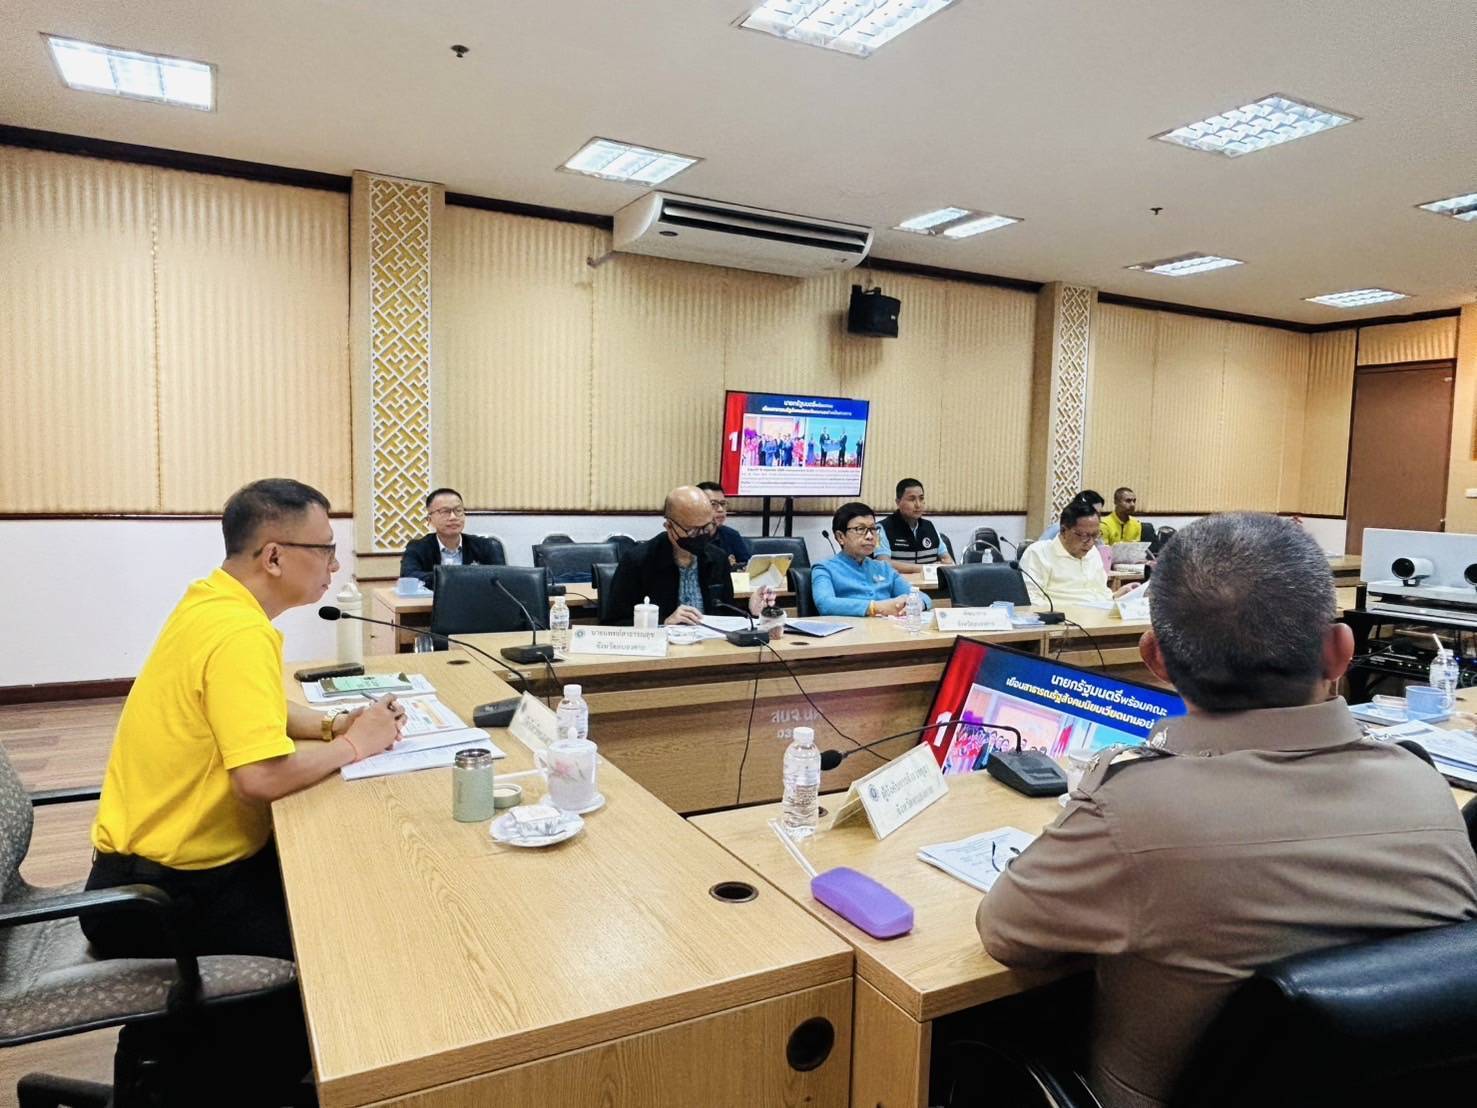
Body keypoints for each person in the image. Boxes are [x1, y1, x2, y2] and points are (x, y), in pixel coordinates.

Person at [977, 513, 1477, 1108]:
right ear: (1342, 651)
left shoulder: (1134, 810)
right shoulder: (1425, 787)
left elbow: (1005, 933)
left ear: (1155, 657)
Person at [84, 478, 407, 1102]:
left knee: (328, 884)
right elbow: (258, 779)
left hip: (141, 872)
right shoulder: (239, 633)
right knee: (336, 942)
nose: (336, 565)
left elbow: (253, 710)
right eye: (326, 549)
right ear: (275, 556)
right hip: (161, 897)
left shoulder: (212, 602)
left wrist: (335, 723)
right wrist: (355, 747)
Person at [606, 485, 774, 625]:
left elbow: (725, 615)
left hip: (710, 647)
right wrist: (664, 622)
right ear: (669, 526)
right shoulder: (638, 561)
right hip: (662, 649)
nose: (701, 535)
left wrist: (751, 611)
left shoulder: (718, 558)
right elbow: (613, 623)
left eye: (707, 527)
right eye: (692, 530)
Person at [812, 502, 933, 617]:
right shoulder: (824, 568)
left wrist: (918, 604)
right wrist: (874, 607)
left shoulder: (883, 568)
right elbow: (825, 604)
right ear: (840, 537)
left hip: (887, 629)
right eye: (860, 529)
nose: (870, 536)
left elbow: (922, 596)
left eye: (873, 529)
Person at [1018, 499, 1132, 606]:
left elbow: (1100, 593)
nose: (1091, 543)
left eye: (1095, 535)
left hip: (1099, 614)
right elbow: (1032, 602)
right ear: (1063, 531)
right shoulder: (1039, 553)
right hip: (1066, 618)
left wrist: (1116, 596)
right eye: (1084, 536)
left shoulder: (1093, 552)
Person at [400, 487, 504, 588]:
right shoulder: (417, 548)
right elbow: (409, 577)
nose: (453, 517)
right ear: (430, 520)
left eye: (458, 510)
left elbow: (502, 578)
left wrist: (448, 577)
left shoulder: (487, 546)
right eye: (445, 511)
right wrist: (461, 576)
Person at [880, 478, 955, 574]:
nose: (918, 505)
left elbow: (948, 562)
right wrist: (925, 568)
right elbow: (883, 563)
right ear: (898, 502)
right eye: (912, 499)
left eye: (921, 498)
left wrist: (943, 565)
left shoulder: (929, 527)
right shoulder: (883, 528)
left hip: (930, 583)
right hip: (899, 583)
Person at [697, 481, 752, 569]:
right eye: (713, 504)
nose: (720, 509)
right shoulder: (689, 536)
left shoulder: (732, 535)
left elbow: (747, 567)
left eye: (723, 504)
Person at [1039, 489, 1105, 541]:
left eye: (1099, 514)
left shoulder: (1096, 533)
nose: (1098, 518)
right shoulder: (1057, 529)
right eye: (1094, 513)